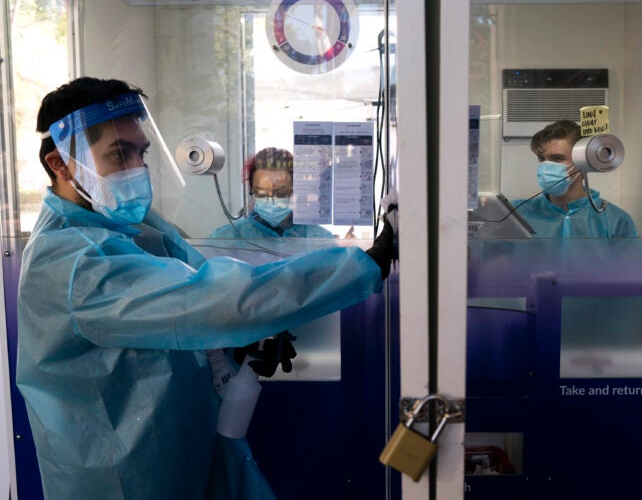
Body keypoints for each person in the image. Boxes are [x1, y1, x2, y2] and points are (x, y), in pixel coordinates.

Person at [15, 77, 395, 500]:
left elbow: (169, 317)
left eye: (141, 152)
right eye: (120, 154)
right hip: (122, 477)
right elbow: (211, 299)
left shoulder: (127, 226)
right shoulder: (68, 261)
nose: (137, 169)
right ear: (60, 164)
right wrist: (365, 264)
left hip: (179, 452)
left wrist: (235, 348)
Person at [511, 119, 637, 238]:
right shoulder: (517, 213)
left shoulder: (615, 220)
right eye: (542, 159)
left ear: (583, 161)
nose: (545, 166)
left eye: (557, 158)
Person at [209, 147, 335, 239]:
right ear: (251, 191)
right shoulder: (226, 239)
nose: (271, 201)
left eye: (281, 193)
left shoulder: (319, 239)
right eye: (261, 194)